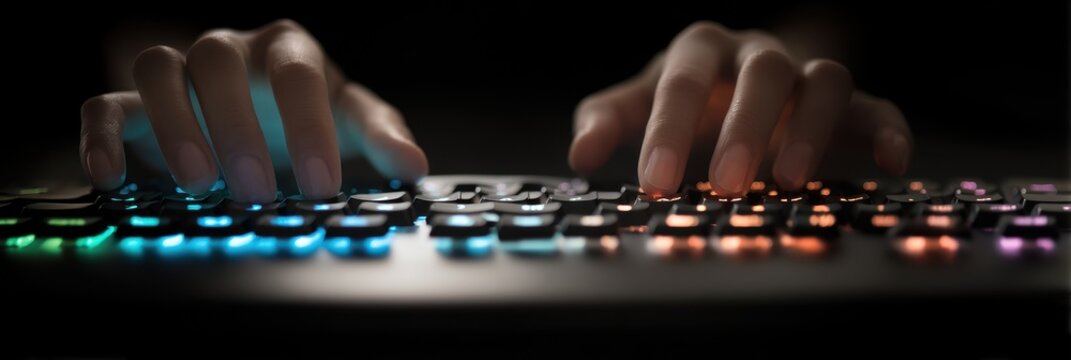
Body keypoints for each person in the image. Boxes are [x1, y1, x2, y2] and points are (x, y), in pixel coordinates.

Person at [80, 19, 910, 202]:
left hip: (679, 166)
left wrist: (778, 79)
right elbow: (145, 44)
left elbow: (820, 26)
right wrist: (193, 104)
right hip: (309, 164)